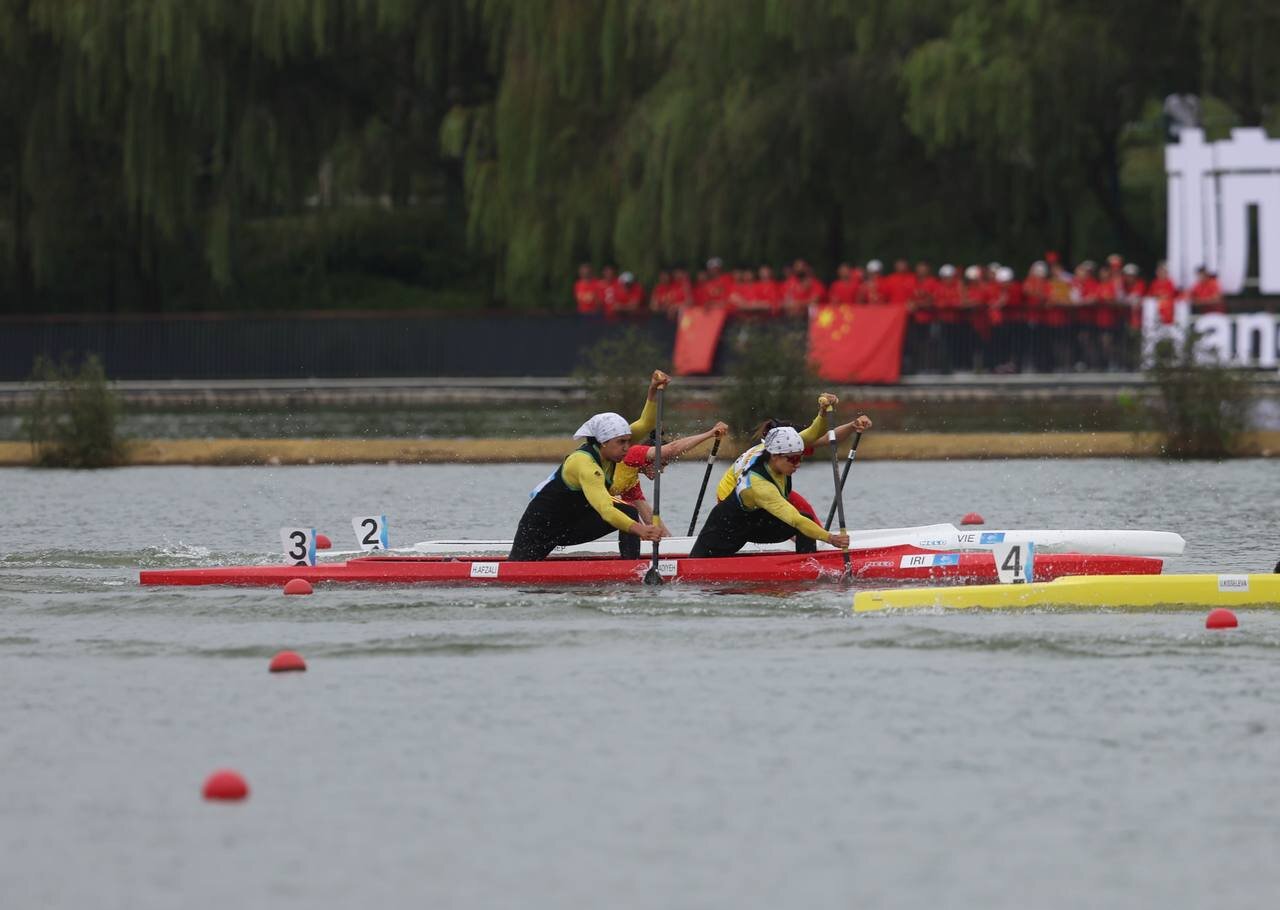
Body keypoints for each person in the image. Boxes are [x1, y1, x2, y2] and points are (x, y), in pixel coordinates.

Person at [509, 371, 670, 561]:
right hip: (539, 528)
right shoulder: (584, 464)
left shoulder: (613, 446)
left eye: (628, 441)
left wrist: (652, 391)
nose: (627, 448)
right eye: (621, 442)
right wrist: (641, 530)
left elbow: (646, 423)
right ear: (603, 442)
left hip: (572, 525)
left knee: (629, 511)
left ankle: (631, 567)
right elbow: (605, 510)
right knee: (519, 572)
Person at [690, 427, 852, 557]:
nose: (798, 465)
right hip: (726, 528)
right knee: (800, 520)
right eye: (793, 460)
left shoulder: (775, 451)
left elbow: (812, 433)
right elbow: (795, 519)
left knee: (806, 518)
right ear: (775, 456)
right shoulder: (758, 484)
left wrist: (822, 412)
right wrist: (831, 538)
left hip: (755, 523)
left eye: (800, 458)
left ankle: (807, 564)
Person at [714, 394, 872, 521]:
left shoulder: (789, 445)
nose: (797, 462)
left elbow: (827, 438)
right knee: (790, 518)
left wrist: (852, 426)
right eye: (793, 458)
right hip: (731, 498)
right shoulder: (780, 448)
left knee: (804, 511)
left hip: (768, 489)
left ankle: (815, 543)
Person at [611, 421, 731, 533]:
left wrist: (669, 541)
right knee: (630, 514)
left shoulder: (630, 483)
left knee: (634, 521)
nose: (661, 471)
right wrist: (710, 434)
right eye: (662, 464)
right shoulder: (633, 453)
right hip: (594, 504)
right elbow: (673, 448)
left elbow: (650, 522)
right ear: (653, 458)